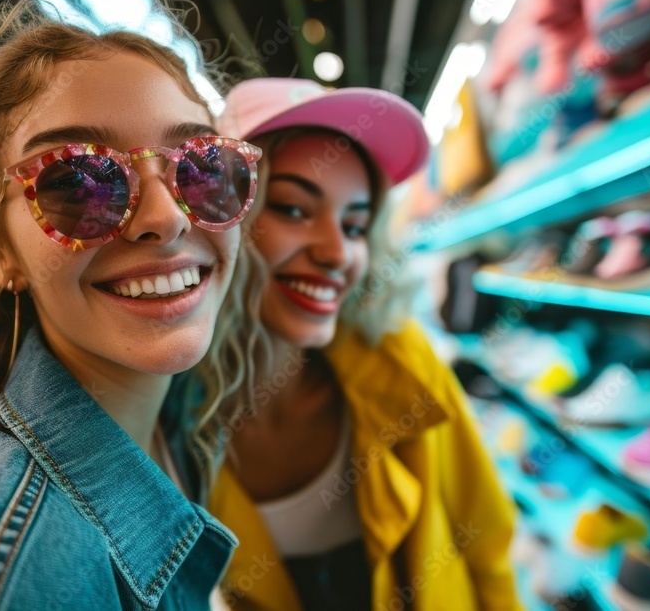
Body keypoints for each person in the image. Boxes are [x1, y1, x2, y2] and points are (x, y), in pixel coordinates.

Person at [0, 0, 265, 610]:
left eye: (201, 167)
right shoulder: (4, 584)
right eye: (76, 182)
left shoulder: (183, 410)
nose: (166, 218)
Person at [205, 78, 522, 611]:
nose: (337, 253)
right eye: (294, 209)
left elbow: (487, 541)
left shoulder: (403, 360)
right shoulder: (168, 411)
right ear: (218, 216)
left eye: (354, 225)